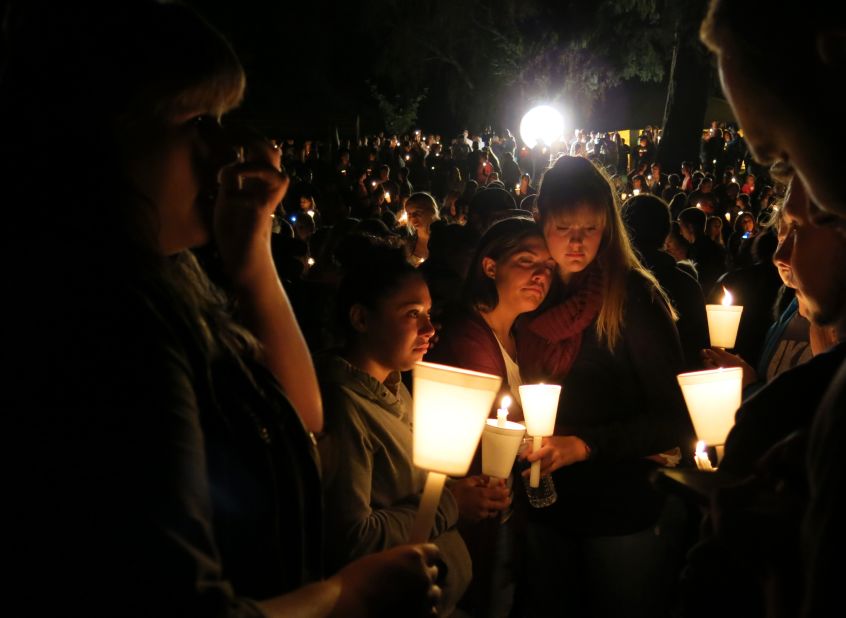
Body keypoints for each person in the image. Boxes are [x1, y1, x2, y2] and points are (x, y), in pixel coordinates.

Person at [3, 3, 440, 616]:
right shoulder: (111, 324)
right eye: (196, 120)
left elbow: (301, 420)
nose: (222, 152)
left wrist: (252, 255)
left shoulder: (176, 276)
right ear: (109, 137)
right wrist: (345, 595)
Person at [515, 156, 695, 617]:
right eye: (563, 228)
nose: (576, 244)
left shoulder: (632, 298)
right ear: (541, 218)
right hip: (543, 508)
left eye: (590, 229)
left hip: (620, 510)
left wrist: (584, 445)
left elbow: (674, 417)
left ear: (608, 226)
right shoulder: (531, 294)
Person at [316, 240, 501, 616]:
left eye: (430, 312)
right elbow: (353, 539)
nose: (430, 328)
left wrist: (458, 491)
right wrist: (452, 502)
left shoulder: (396, 386)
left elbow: (412, 487)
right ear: (361, 319)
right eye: (412, 314)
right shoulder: (343, 407)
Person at [404, 191, 440, 266]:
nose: (413, 217)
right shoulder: (409, 241)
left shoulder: (442, 239)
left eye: (418, 212)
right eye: (409, 214)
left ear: (431, 211)